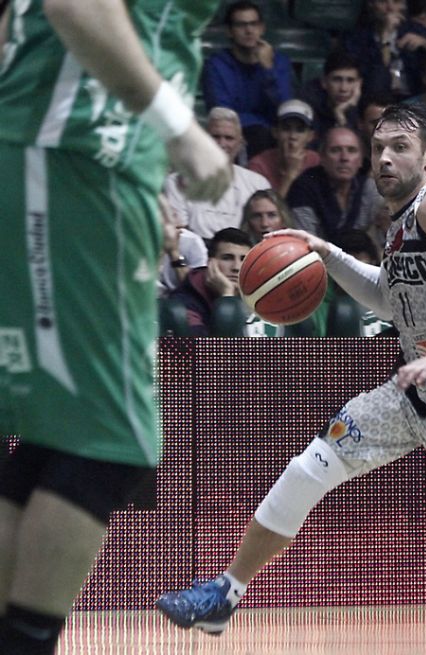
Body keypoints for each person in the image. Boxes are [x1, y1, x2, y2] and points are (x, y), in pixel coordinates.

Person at [155, 103, 426, 634]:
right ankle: (225, 593)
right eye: (378, 148)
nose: (385, 158)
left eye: (400, 147)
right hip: (412, 392)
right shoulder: (400, 224)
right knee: (311, 466)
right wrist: (327, 254)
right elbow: (388, 299)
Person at [0, 0, 231, 652]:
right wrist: (178, 128)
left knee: (58, 436)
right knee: (114, 440)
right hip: (72, 159)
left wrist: (142, 164)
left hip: (74, 159)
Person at [164, 107, 272, 239]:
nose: (222, 143)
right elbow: (181, 234)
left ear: (240, 144)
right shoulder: (176, 182)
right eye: (215, 137)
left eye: (229, 138)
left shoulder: (258, 183)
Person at [202, 1, 293, 157]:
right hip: (233, 135)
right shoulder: (216, 65)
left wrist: (268, 70)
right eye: (241, 25)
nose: (249, 30)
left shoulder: (279, 62)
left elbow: (285, 109)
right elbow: (222, 113)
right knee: (258, 134)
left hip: (274, 136)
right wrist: (258, 123)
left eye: (254, 24)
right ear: (229, 31)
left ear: (262, 28)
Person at [286, 126, 381, 241]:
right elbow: (306, 240)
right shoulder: (303, 188)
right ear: (322, 157)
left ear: (361, 160)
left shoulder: (369, 188)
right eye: (335, 150)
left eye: (351, 150)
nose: (344, 158)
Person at [167, 228, 254, 337]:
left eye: (244, 260)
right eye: (227, 258)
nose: (236, 267)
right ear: (210, 262)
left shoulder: (258, 292)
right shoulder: (184, 302)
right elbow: (210, 347)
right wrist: (227, 295)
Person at [342, 0, 426, 101]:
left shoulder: (417, 31)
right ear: (371, 4)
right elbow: (370, 77)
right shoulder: (357, 38)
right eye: (383, 1)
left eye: (396, 1)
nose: (390, 8)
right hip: (376, 100)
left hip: (414, 98)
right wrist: (385, 37)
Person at [246, 99, 321, 198]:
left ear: (310, 136)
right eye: (286, 129)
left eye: (300, 130)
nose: (293, 136)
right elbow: (267, 208)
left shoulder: (317, 161)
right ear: (275, 132)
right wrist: (289, 175)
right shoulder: (259, 165)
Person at [297, 51, 362, 137]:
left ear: (359, 84)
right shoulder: (308, 104)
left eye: (350, 80)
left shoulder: (365, 107)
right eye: (337, 80)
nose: (343, 89)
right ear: (324, 82)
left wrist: (340, 116)